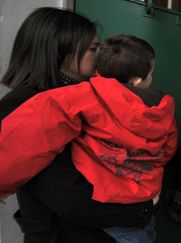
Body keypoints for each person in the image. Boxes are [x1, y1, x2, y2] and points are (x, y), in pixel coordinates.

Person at [0, 7, 158, 243]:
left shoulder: (87, 95)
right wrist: (142, 209)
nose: (101, 56)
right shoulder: (24, 105)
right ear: (61, 51)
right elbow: (69, 196)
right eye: (94, 49)